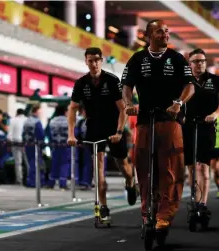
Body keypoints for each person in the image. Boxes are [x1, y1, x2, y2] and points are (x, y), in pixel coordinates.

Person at [122, 19, 195, 232]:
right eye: (160, 31)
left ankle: (165, 216)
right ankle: (147, 214)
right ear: (149, 35)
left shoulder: (177, 59)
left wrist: (178, 103)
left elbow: (190, 86)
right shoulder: (137, 59)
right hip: (144, 121)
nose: (165, 35)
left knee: (171, 170)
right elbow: (126, 86)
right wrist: (129, 104)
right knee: (143, 168)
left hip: (170, 121)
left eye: (167, 31)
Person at [67, 47, 137, 222]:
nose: (94, 63)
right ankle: (103, 206)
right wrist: (71, 134)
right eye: (90, 60)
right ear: (86, 61)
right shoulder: (81, 83)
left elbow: (123, 110)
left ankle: (130, 183)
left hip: (114, 127)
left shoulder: (112, 81)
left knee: (123, 166)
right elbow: (73, 109)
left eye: (97, 60)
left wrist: (119, 132)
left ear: (101, 61)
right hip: (94, 128)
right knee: (98, 170)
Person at [182, 48, 219, 213]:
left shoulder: (216, 80)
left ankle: (203, 204)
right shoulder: (183, 80)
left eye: (202, 61)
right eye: (195, 61)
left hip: (207, 126)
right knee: (192, 168)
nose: (199, 64)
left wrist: (215, 114)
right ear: (190, 63)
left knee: (203, 167)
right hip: (187, 127)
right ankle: (194, 200)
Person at [48, 105, 71, 189]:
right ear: (65, 111)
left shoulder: (52, 121)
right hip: (65, 146)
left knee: (54, 164)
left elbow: (49, 134)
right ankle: (62, 183)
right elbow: (72, 133)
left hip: (55, 145)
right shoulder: (68, 120)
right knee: (64, 164)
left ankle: (51, 183)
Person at [23, 104, 45, 187]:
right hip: (35, 145)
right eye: (40, 111)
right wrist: (42, 145)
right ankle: (37, 182)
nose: (41, 113)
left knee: (30, 163)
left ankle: (30, 181)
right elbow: (41, 134)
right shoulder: (37, 121)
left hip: (27, 144)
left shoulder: (27, 120)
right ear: (36, 111)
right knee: (37, 164)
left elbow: (23, 133)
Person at [7, 108, 27, 185]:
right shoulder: (27, 120)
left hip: (15, 142)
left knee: (18, 162)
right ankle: (29, 177)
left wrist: (9, 142)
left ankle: (19, 179)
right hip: (26, 142)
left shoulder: (13, 120)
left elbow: (9, 134)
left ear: (17, 113)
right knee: (27, 161)